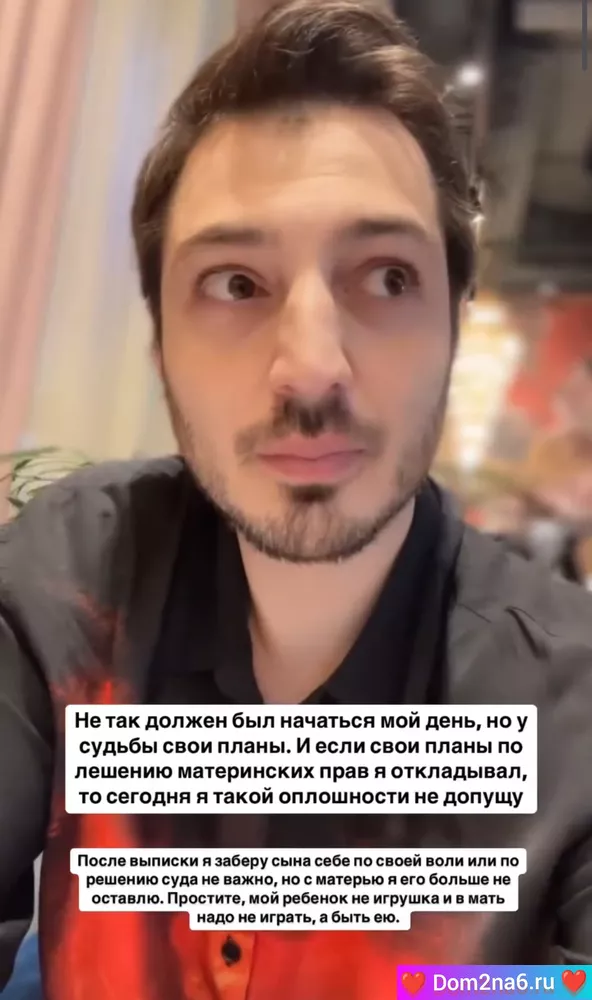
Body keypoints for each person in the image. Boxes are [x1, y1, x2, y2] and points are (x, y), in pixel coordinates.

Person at [1, 1, 592, 996]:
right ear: (160, 341)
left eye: (388, 277)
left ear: (455, 324)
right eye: (235, 283)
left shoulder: (573, 703)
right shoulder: (60, 585)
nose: (312, 369)